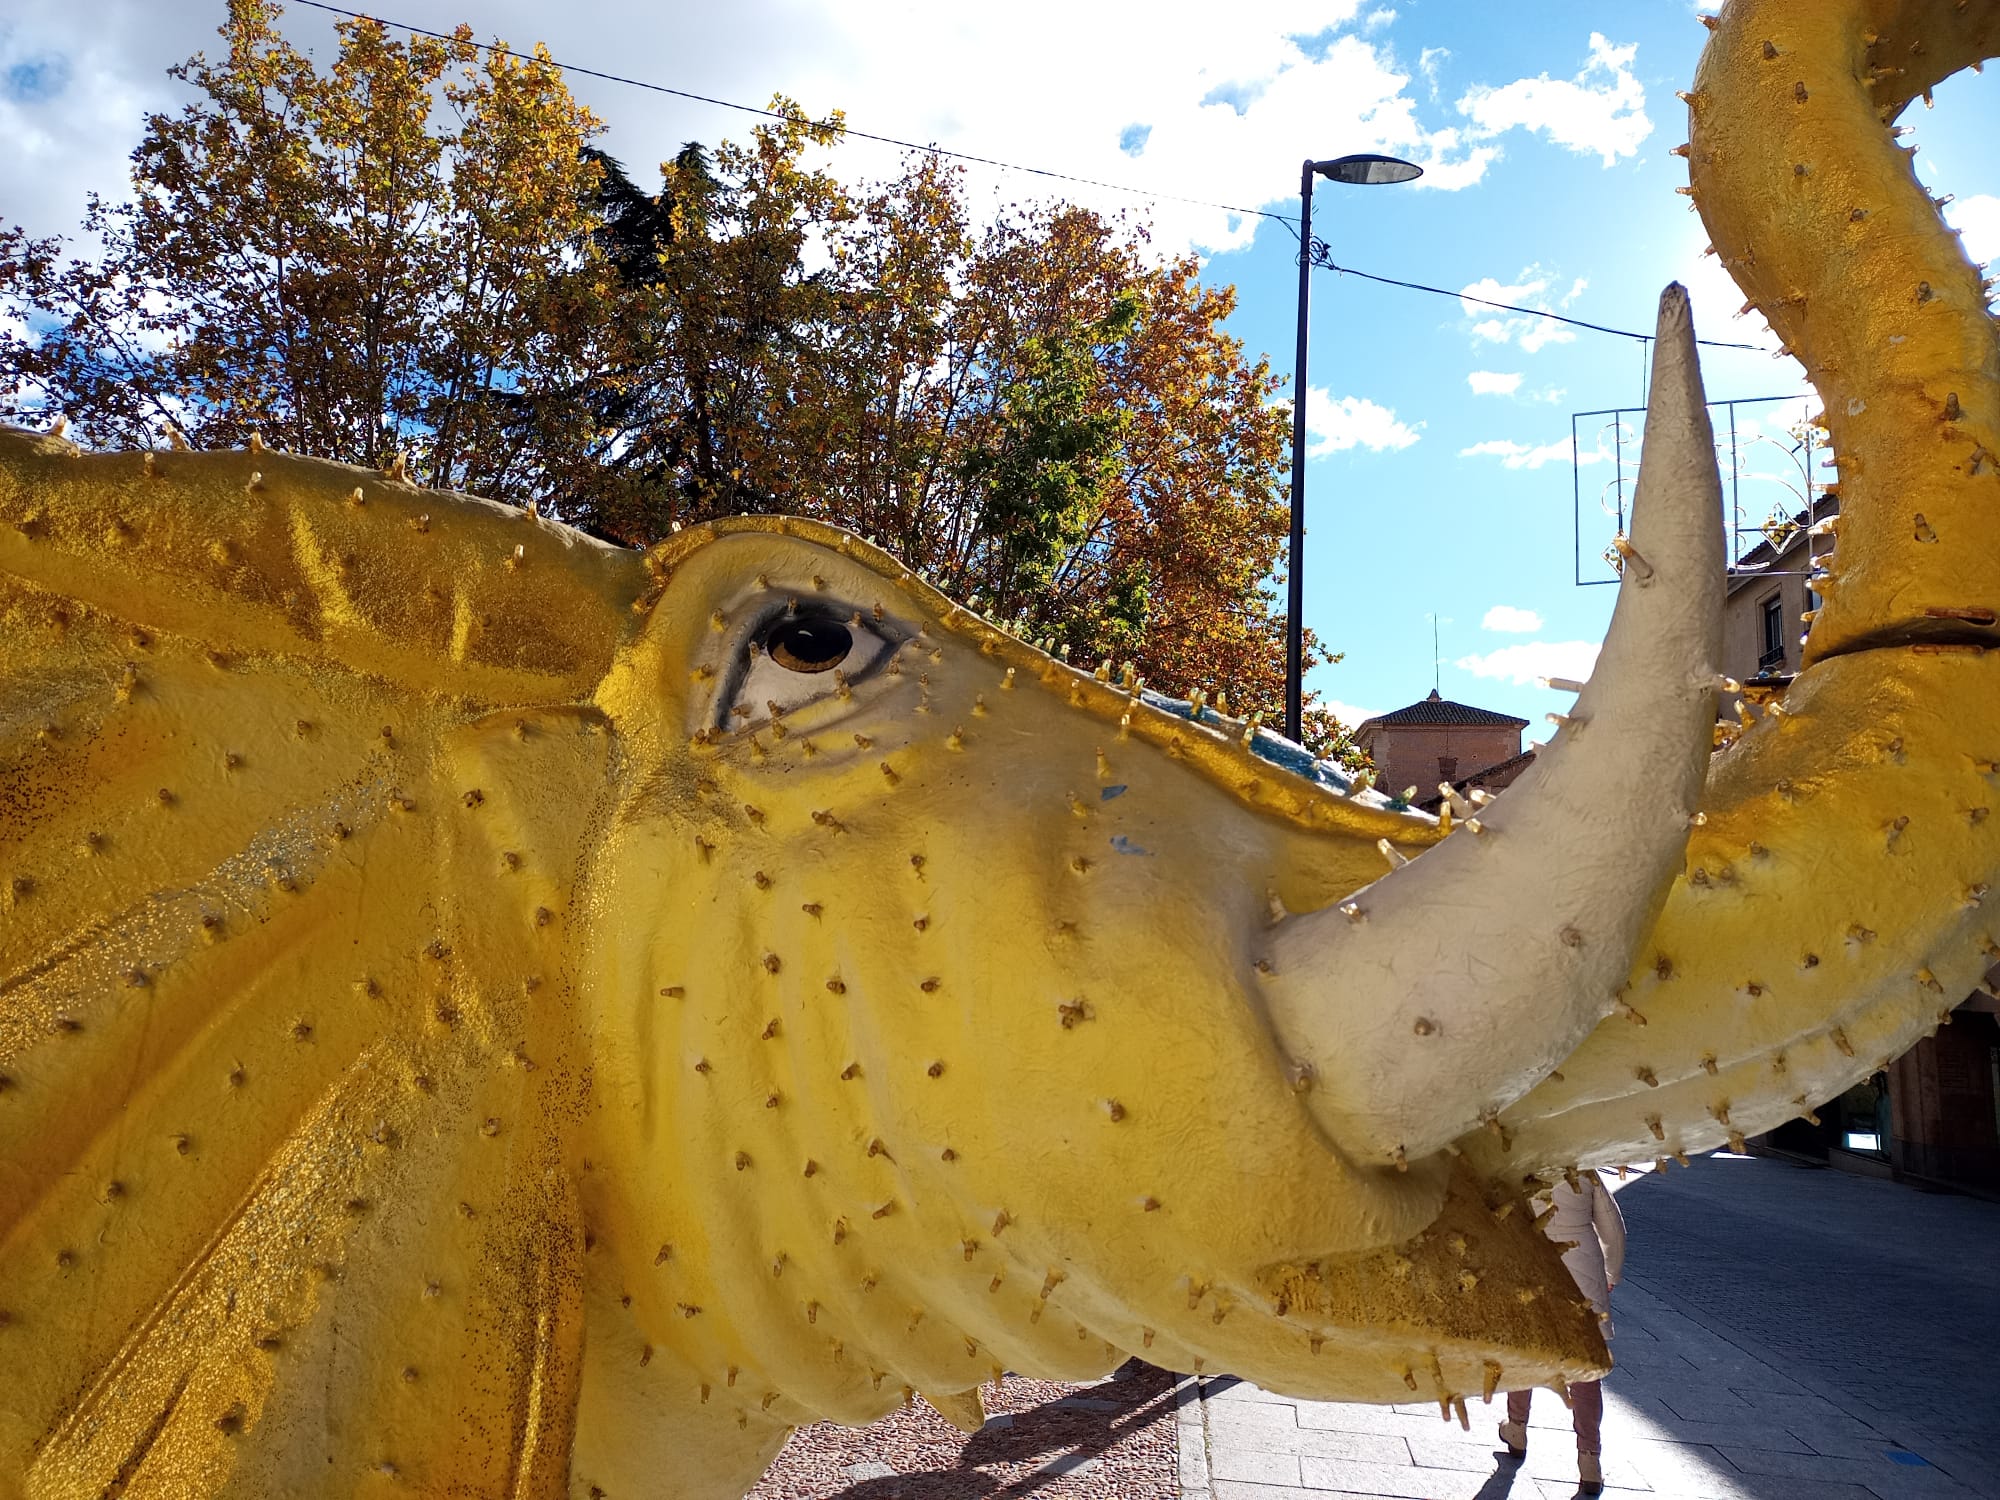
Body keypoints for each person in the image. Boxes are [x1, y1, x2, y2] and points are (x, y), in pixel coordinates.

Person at [1498, 1168, 1626, 1495]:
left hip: (1534, 1261)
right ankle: (1589, 1458)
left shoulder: (1526, 1163)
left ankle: (1516, 1429)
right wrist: (1612, 1271)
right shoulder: (1585, 1168)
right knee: (1585, 1370)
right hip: (1583, 1264)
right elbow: (1613, 1228)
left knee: (1528, 1351)